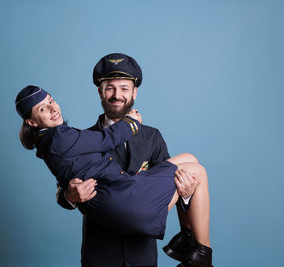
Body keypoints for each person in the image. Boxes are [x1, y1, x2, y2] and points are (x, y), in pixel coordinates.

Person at [54, 53, 212, 267]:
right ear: (100, 91)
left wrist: (185, 197)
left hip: (142, 255)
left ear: (134, 92)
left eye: (124, 88)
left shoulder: (152, 137)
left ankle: (189, 242)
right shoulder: (82, 139)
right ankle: (201, 253)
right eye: (110, 87)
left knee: (190, 165)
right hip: (100, 255)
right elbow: (62, 190)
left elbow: (169, 188)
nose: (117, 95)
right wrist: (70, 195)